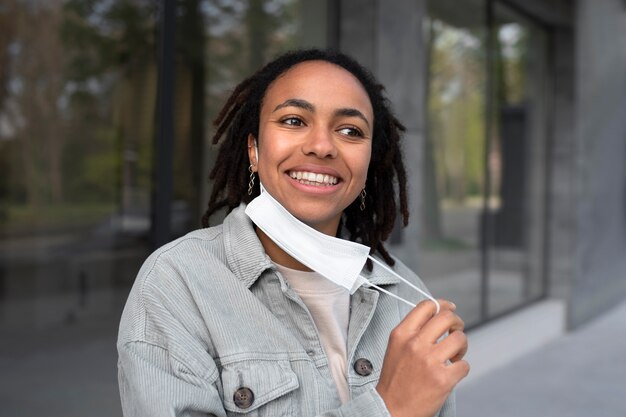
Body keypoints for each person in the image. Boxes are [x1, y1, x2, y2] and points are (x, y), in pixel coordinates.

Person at [117, 48, 469, 417]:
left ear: (367, 161)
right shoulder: (178, 282)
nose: (321, 146)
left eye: (350, 130)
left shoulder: (403, 296)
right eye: (293, 120)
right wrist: (387, 409)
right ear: (253, 149)